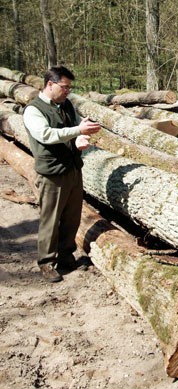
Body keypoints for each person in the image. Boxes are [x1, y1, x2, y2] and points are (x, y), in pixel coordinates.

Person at [23, 66, 101, 282]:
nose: (68, 91)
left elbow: (75, 127)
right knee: (51, 220)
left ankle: (66, 256)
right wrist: (78, 132)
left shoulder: (66, 105)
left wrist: (80, 139)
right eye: (64, 87)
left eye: (69, 87)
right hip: (52, 174)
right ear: (50, 84)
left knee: (72, 217)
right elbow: (46, 135)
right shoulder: (33, 110)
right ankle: (46, 262)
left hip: (73, 170)